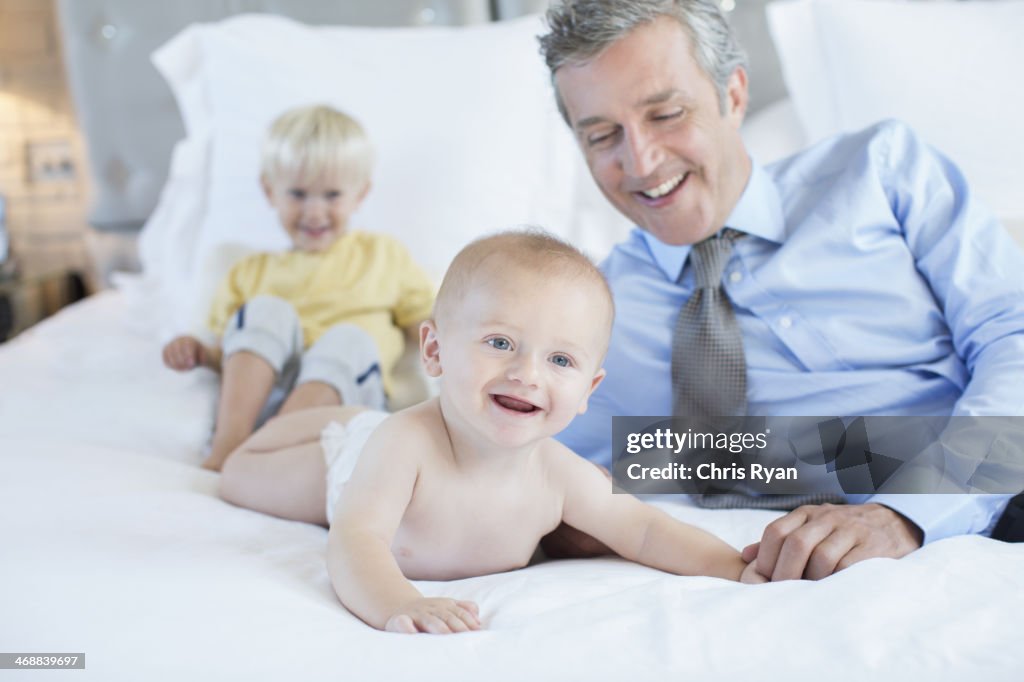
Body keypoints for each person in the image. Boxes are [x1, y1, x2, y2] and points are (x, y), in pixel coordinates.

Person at [538, 0, 1024, 580]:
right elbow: (509, 454)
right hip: (777, 563)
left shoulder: (883, 171)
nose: (640, 160)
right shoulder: (586, 309)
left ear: (734, 95)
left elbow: (1012, 338)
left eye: (666, 113)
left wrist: (909, 513)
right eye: (602, 135)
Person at [219, 230, 762, 634]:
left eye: (560, 359)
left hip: (373, 432)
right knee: (238, 471)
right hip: (347, 459)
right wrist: (398, 603)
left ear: (589, 390)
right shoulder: (406, 444)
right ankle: (328, 387)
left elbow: (643, 530)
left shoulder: (558, 474)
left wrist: (734, 568)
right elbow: (355, 539)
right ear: (434, 351)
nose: (527, 374)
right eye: (500, 343)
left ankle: (337, 379)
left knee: (329, 425)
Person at [162, 105, 434, 471]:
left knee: (349, 339)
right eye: (299, 194)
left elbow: (427, 323)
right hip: (265, 399)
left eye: (332, 195)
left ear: (361, 194)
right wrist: (196, 351)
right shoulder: (249, 271)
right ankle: (230, 448)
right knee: (265, 310)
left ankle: (263, 452)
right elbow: (226, 353)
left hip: (341, 403)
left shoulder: (383, 255)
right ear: (269, 191)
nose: (315, 212)